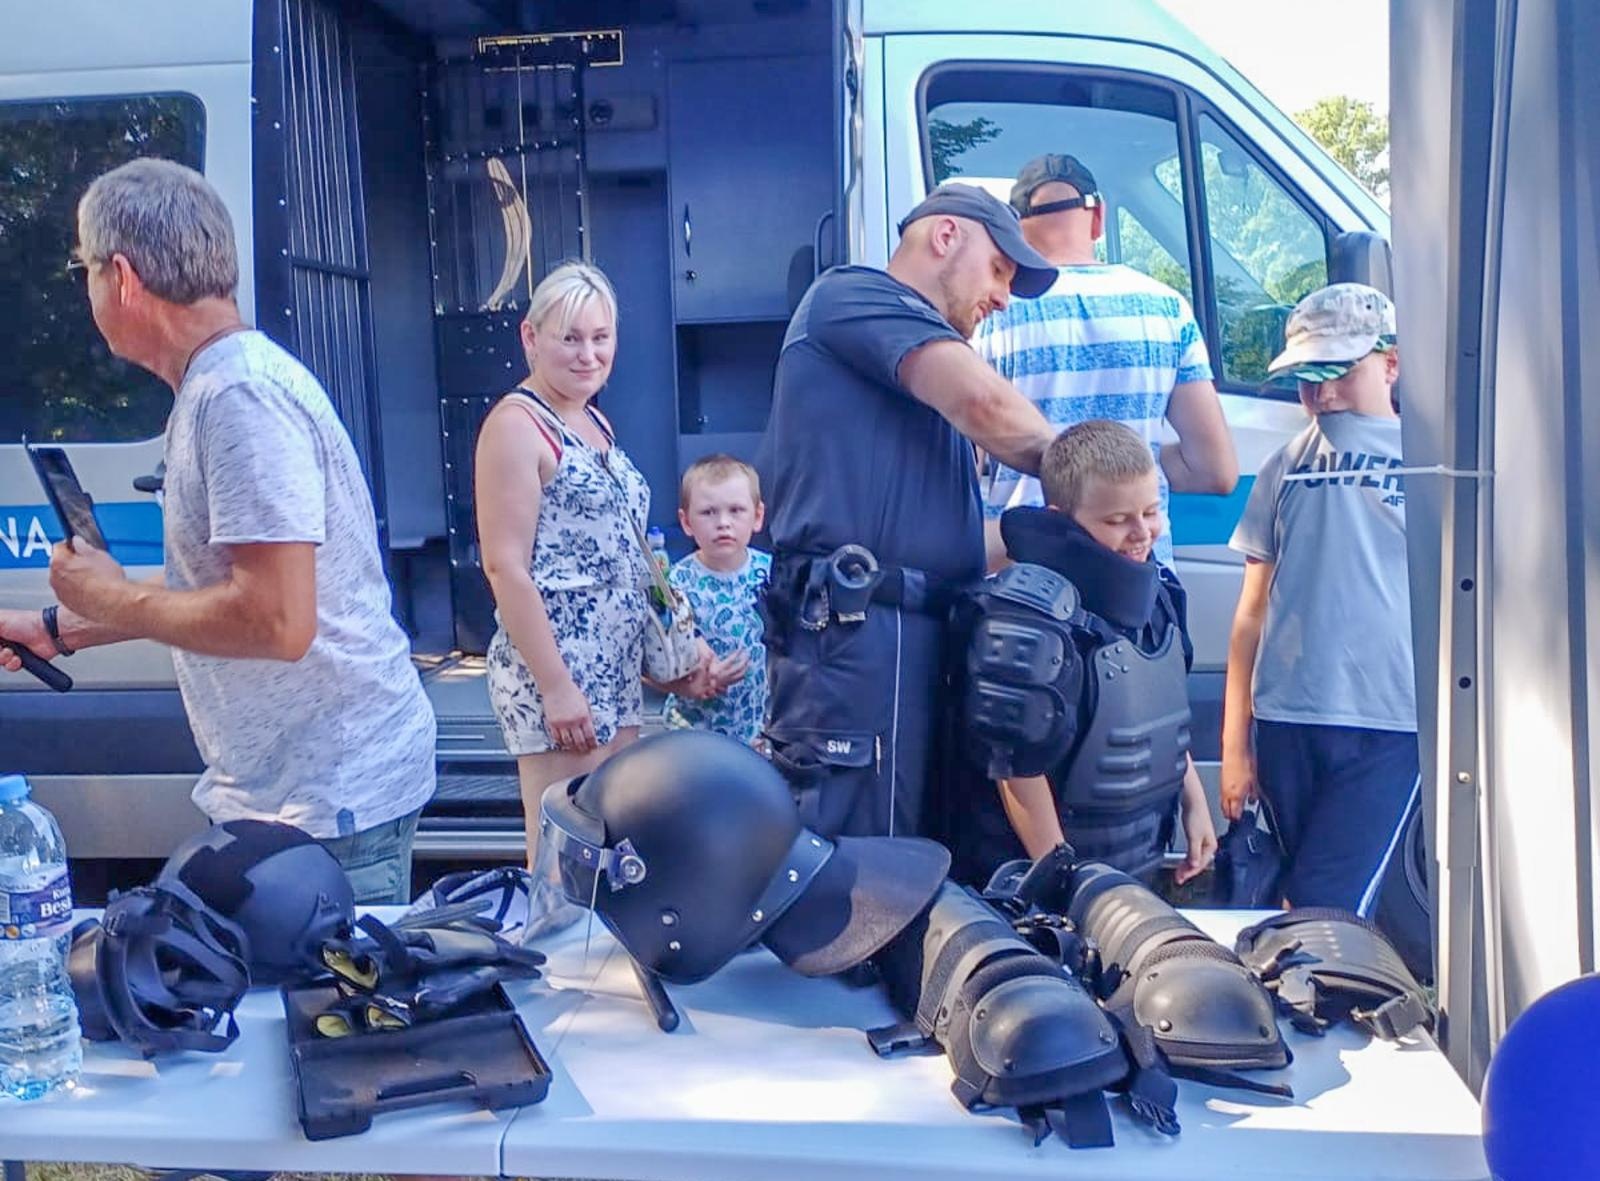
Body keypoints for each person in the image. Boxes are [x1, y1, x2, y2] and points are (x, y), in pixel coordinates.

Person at [0, 158, 435, 903]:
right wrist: (56, 628)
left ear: (122, 278)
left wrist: (110, 598)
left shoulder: (238, 397)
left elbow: (277, 621)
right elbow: (216, 593)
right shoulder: (219, 386)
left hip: (328, 801)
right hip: (293, 795)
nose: (87, 292)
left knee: (328, 984)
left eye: (85, 271)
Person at [760, 182, 1061, 841]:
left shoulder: (919, 373)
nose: (1003, 297)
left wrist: (1041, 535)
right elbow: (987, 406)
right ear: (946, 236)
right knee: (859, 870)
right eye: (998, 269)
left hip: (912, 637)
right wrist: (1089, 475)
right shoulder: (851, 294)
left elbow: (943, 543)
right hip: (856, 643)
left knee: (924, 863)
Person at [474, 261, 717, 869]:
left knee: (613, 851)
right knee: (566, 858)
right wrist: (557, 688)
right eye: (570, 338)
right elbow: (505, 568)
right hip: (562, 676)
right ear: (531, 338)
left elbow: (628, 553)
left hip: (614, 676)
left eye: (601, 337)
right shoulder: (516, 427)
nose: (588, 355)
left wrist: (676, 651)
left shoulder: (593, 421)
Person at [1219, 283, 1420, 931]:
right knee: (1296, 892)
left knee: (1327, 903)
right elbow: (1250, 610)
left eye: (1340, 372)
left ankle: (1325, 984)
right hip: (1286, 716)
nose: (1324, 393)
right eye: (1308, 378)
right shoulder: (1283, 464)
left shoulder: (1431, 463)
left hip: (1389, 719)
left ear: (1390, 363)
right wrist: (1234, 743)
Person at [948, 420, 1217, 887]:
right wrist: (1063, 884)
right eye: (1117, 520)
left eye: (1151, 512)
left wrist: (1196, 803)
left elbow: (1157, 713)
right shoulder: (1026, 621)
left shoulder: (1158, 596)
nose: (1141, 533)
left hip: (1134, 872)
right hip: (1038, 891)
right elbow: (1017, 774)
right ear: (1062, 518)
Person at [975, 153, 1238, 570]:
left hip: (1026, 582)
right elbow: (1215, 471)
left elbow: (965, 472)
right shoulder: (1167, 308)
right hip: (1137, 579)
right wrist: (1133, 460)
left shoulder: (991, 311)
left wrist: (1076, 475)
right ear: (1098, 218)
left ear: (1017, 230)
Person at [661, 455, 772, 748]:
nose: (723, 523)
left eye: (736, 510)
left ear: (757, 516)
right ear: (686, 522)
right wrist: (696, 670)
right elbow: (659, 655)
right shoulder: (677, 583)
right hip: (691, 731)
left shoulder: (771, 574)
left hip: (757, 729)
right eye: (708, 512)